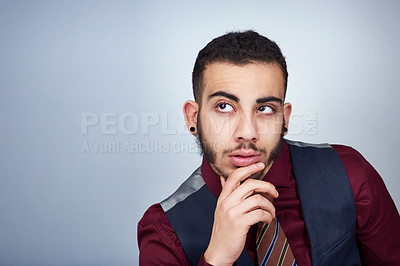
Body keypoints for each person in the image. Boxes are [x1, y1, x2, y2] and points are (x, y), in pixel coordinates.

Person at [137, 30, 400, 265]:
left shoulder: (350, 173)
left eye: (264, 109)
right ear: (193, 117)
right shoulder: (163, 231)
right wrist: (216, 259)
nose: (247, 133)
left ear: (284, 118)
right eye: (224, 107)